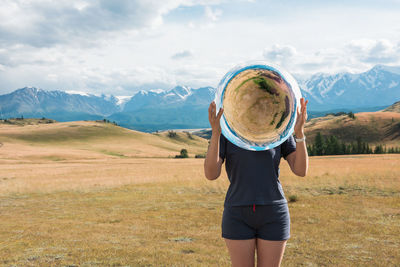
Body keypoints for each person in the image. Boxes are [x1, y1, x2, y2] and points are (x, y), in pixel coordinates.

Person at [204, 98, 309, 267]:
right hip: (237, 213)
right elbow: (211, 174)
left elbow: (301, 170)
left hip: (274, 213)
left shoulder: (279, 130)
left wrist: (299, 133)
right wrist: (216, 134)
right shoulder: (229, 132)